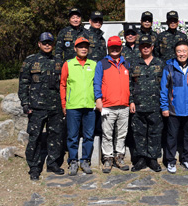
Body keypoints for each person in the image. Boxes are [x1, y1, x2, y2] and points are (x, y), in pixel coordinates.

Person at [18, 32, 64, 181]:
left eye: (50, 43)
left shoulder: (59, 61)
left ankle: (52, 163)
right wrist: (25, 103)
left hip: (55, 106)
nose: (47, 45)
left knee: (55, 136)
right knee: (35, 137)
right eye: (44, 43)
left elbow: (65, 83)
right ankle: (34, 167)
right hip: (36, 107)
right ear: (39, 44)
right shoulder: (30, 61)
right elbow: (23, 83)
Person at [160, 40, 188, 173]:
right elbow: (164, 89)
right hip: (173, 110)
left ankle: (187, 159)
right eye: (179, 51)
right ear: (175, 53)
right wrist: (165, 107)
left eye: (184, 51)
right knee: (172, 136)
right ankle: (171, 161)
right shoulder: (169, 68)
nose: (181, 54)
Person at [60, 37, 97, 175]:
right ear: (75, 48)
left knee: (89, 135)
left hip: (89, 106)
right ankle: (73, 161)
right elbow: (63, 84)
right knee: (72, 136)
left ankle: (85, 160)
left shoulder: (93, 64)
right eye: (80, 46)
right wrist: (64, 104)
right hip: (73, 106)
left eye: (86, 47)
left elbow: (98, 84)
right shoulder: (68, 64)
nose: (83, 49)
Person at [94, 36, 130, 173]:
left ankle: (119, 157)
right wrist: (98, 99)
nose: (115, 49)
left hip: (124, 105)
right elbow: (97, 83)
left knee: (122, 134)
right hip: (108, 106)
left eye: (117, 46)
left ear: (121, 48)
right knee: (107, 134)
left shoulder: (126, 64)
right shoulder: (101, 64)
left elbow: (131, 84)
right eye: (112, 47)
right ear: (108, 48)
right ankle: (108, 158)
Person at [129, 35, 165, 172]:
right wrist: (131, 101)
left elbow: (165, 85)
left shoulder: (160, 63)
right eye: (143, 46)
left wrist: (164, 104)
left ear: (152, 47)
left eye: (148, 45)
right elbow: (129, 84)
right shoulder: (134, 63)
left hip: (156, 105)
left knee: (155, 132)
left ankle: (153, 159)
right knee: (139, 133)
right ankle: (141, 159)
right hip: (138, 105)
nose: (145, 48)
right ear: (139, 47)